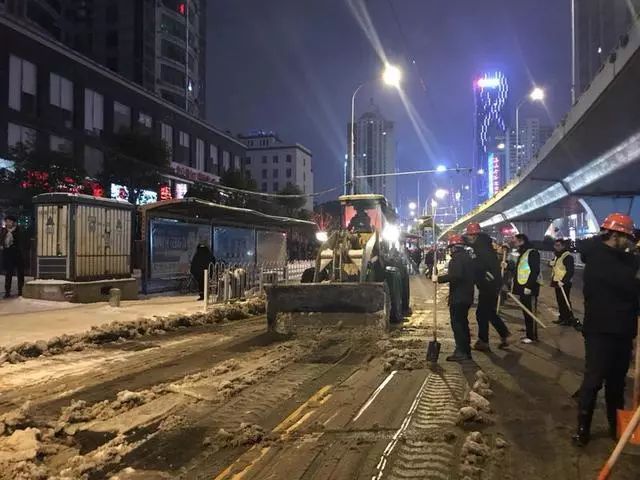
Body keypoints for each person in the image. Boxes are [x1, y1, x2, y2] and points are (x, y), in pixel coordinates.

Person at [573, 213, 640, 446]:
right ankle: (583, 428)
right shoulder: (594, 253)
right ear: (614, 234)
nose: (630, 242)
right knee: (593, 381)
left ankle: (616, 427)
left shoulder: (633, 261)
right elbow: (585, 245)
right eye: (627, 237)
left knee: (617, 383)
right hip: (599, 329)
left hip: (624, 330)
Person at [465, 223, 511, 351]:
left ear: (475, 235)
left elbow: (487, 266)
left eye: (470, 235)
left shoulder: (482, 248)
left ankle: (484, 341)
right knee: (489, 312)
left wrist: (499, 283)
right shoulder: (483, 245)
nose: (469, 238)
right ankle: (504, 334)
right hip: (489, 284)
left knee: (482, 313)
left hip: (488, 285)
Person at [432, 234, 475, 362]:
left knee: (457, 324)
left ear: (454, 247)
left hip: (459, 297)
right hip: (466, 296)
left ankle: (461, 351)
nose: (450, 250)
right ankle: (466, 350)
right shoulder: (467, 258)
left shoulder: (457, 259)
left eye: (451, 248)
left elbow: (455, 276)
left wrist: (438, 279)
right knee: (463, 323)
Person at [512, 233, 541, 344]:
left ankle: (532, 336)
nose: (514, 243)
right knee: (526, 311)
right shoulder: (523, 253)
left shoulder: (532, 253)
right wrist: (508, 266)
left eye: (515, 241)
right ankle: (529, 332)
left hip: (530, 288)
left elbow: (535, 271)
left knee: (530, 312)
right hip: (522, 286)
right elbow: (520, 268)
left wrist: (529, 286)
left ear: (522, 241)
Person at [550, 238, 576, 326]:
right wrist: (550, 263)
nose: (556, 247)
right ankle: (562, 317)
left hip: (564, 283)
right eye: (555, 245)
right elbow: (556, 266)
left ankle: (568, 319)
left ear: (563, 246)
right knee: (560, 301)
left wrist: (563, 281)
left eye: (558, 245)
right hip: (557, 281)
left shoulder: (567, 256)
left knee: (564, 300)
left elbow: (570, 271)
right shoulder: (557, 255)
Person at [0, 215, 25, 298]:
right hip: (8, 254)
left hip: (17, 254)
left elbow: (22, 241)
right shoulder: (3, 231)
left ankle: (21, 291)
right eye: (7, 221)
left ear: (13, 222)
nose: (8, 223)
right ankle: (7, 292)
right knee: (8, 273)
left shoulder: (18, 230)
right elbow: (1, 240)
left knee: (20, 273)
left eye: (10, 221)